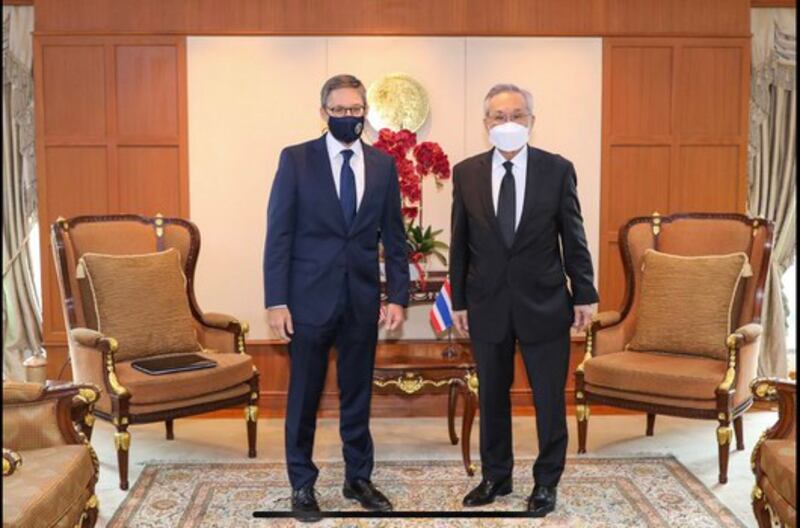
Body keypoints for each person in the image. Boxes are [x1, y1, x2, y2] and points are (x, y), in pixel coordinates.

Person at [263, 74, 409, 520]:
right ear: (324, 112)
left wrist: (398, 296)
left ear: (366, 111)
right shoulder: (296, 160)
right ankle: (302, 485)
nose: (349, 117)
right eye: (340, 110)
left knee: (357, 395)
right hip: (306, 302)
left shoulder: (383, 165)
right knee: (304, 396)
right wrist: (276, 301)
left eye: (356, 109)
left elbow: (396, 239)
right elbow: (279, 235)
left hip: (361, 301)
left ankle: (357, 478)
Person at [449, 83, 598, 516]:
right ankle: (495, 476)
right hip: (486, 303)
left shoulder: (557, 170)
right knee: (492, 395)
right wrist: (459, 300)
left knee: (549, 399)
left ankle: (546, 482)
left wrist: (584, 293)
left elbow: (574, 236)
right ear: (485, 124)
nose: (508, 123)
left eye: (517, 115)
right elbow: (460, 243)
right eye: (499, 116)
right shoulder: (467, 172)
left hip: (546, 303)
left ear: (532, 120)